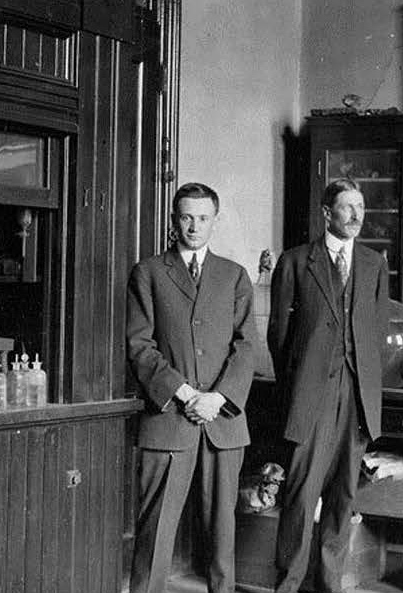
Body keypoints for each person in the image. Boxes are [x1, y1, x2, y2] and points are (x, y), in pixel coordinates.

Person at [127, 182, 257, 593]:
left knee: (222, 533)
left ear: (215, 222)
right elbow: (138, 345)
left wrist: (217, 398)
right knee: (156, 533)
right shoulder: (148, 273)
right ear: (173, 219)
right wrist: (185, 394)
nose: (194, 226)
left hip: (223, 420)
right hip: (169, 416)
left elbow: (246, 345)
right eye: (186, 217)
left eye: (202, 218)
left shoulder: (234, 276)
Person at [268, 178, 389, 593]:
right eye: (346, 207)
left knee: (343, 500)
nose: (356, 215)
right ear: (326, 213)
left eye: (360, 206)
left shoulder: (373, 264)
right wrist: (301, 384)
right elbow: (279, 336)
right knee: (301, 499)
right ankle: (288, 585)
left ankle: (328, 586)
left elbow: (377, 333)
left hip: (357, 399)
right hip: (311, 397)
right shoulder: (297, 261)